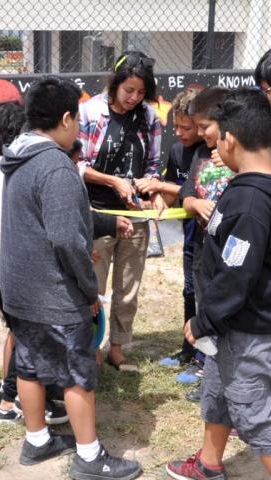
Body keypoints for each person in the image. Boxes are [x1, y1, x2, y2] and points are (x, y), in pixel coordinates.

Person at [0, 76, 142, 480]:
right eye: (76, 119)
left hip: (21, 291)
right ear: (64, 119)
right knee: (79, 373)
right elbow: (65, 238)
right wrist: (88, 288)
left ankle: (38, 440)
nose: (78, 127)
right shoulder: (56, 167)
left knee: (28, 365)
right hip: (55, 294)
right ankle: (90, 456)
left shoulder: (17, 159)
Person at [167, 88, 271, 479]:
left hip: (246, 330)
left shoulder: (249, 202)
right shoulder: (248, 187)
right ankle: (208, 464)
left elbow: (235, 275)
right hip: (231, 328)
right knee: (219, 391)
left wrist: (202, 320)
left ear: (229, 138)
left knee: (257, 419)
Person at [0, 101, 69, 424]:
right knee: (27, 334)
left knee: (19, 330)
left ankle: (16, 392)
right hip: (15, 268)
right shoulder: (24, 164)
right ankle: (9, 400)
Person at [79, 51, 166, 372]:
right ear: (115, 84)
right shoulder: (88, 113)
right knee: (93, 288)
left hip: (137, 216)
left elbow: (155, 166)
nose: (134, 98)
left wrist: (151, 186)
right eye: (129, 90)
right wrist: (114, 181)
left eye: (142, 92)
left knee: (128, 288)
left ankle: (118, 348)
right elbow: (77, 165)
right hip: (96, 214)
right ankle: (94, 347)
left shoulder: (150, 118)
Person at [138, 87, 204, 367]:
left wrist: (161, 186)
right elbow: (170, 195)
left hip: (207, 236)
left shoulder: (210, 153)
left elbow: (197, 191)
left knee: (203, 294)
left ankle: (203, 357)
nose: (178, 132)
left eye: (186, 127)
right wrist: (156, 201)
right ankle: (187, 350)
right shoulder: (177, 151)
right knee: (189, 291)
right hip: (189, 236)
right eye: (175, 126)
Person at [174, 87, 233, 392]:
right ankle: (207, 375)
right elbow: (185, 198)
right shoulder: (199, 155)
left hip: (232, 252)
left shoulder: (239, 157)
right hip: (203, 249)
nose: (198, 133)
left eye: (203, 127)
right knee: (205, 307)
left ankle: (224, 379)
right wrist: (196, 204)